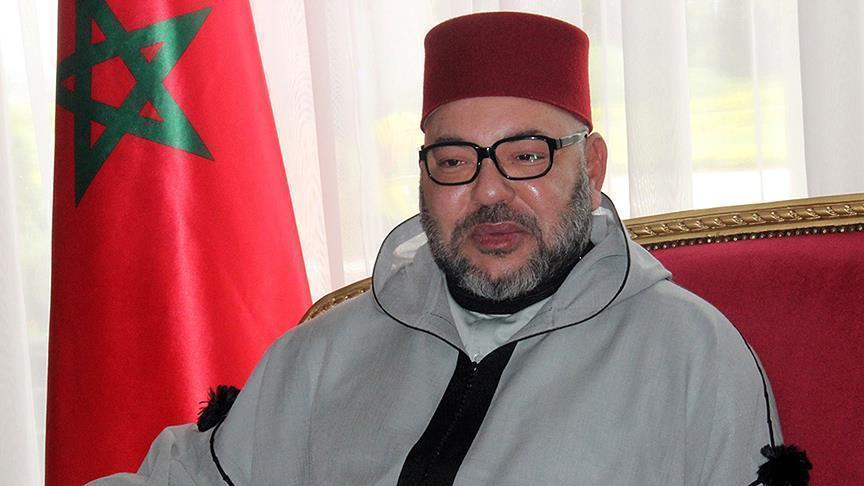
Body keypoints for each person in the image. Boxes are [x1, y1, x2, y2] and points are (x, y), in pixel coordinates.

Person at [95, 12, 794, 485]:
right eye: (455, 161)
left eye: (527, 155)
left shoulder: (689, 354)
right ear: (425, 178)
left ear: (592, 167)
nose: (490, 191)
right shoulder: (325, 353)